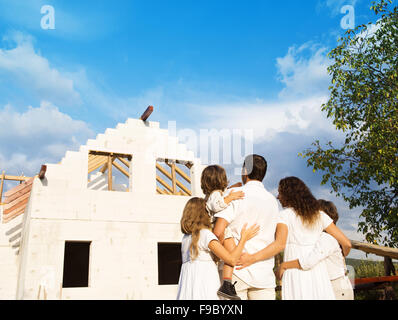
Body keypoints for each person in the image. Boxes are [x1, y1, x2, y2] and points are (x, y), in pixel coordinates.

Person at [237, 177, 352, 300]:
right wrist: (340, 258)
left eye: (280, 193)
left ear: (289, 195)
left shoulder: (284, 216)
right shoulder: (320, 216)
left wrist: (251, 258)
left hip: (294, 271)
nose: (278, 197)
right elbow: (346, 243)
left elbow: (279, 245)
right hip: (319, 273)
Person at [213, 154, 280, 300]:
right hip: (264, 274)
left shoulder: (234, 195)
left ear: (244, 171)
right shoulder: (272, 202)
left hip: (234, 273)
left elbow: (218, 232)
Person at [176, 197, 259, 300]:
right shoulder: (205, 235)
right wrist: (243, 238)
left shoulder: (186, 238)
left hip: (189, 288)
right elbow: (232, 260)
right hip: (205, 286)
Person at [276, 199, 354, 300]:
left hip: (336, 288)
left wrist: (284, 266)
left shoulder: (326, 238)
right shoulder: (326, 237)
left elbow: (309, 261)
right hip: (335, 286)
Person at [200, 165, 245, 300]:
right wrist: (231, 197)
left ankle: (226, 283)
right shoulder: (215, 195)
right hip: (222, 229)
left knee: (230, 256)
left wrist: (231, 190)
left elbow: (218, 199)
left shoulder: (211, 194)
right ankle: (226, 284)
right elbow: (217, 205)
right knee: (231, 256)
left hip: (215, 228)